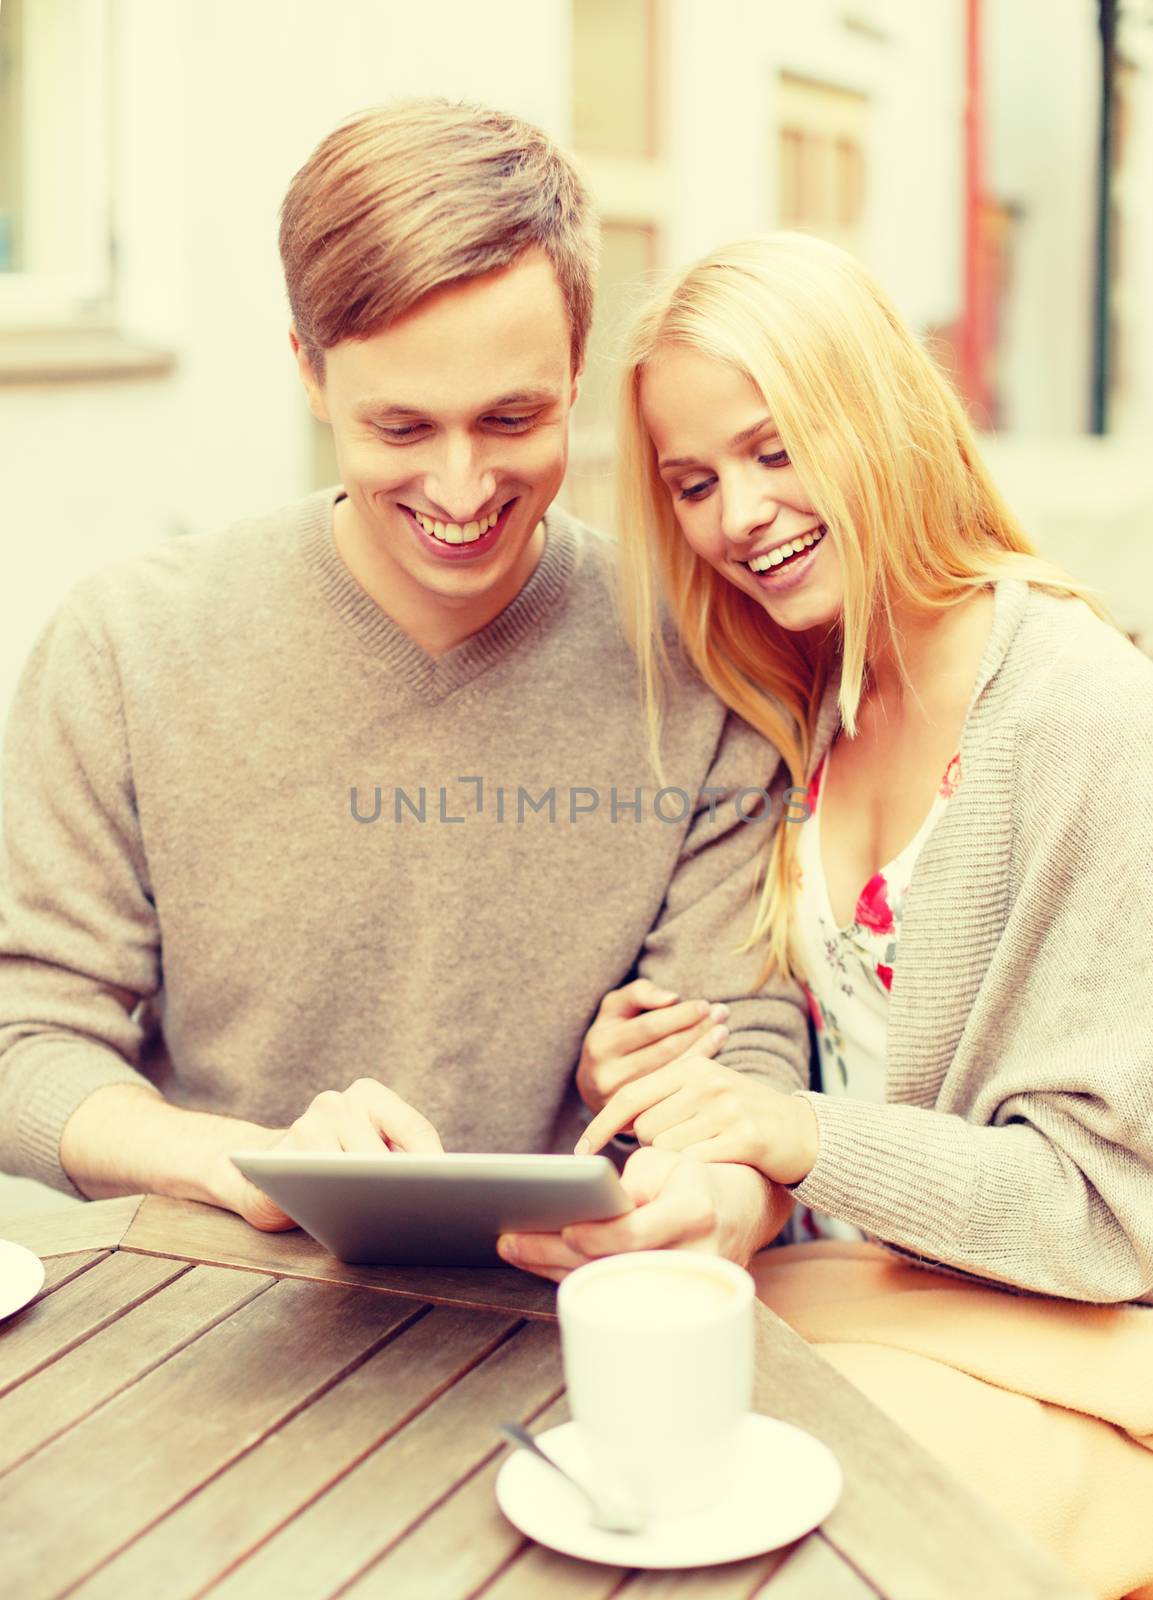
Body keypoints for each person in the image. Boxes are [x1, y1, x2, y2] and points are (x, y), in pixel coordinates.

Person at [0, 103, 807, 1263]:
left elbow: (743, 1055)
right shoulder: (127, 647)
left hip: (572, 1306)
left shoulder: (703, 657)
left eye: (512, 417)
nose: (462, 484)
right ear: (309, 374)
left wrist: (718, 1204)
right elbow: (29, 1043)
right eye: (401, 426)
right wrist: (247, 1162)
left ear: (579, 372)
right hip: (214, 1313)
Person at [542, 231, 1153, 1599]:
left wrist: (805, 1134)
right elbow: (799, 1046)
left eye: (774, 449)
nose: (735, 517)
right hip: (832, 1311)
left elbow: (1108, 1215)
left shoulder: (1087, 715)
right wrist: (674, 1070)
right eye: (692, 483)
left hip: (1048, 1349)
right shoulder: (794, 696)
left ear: (877, 411)